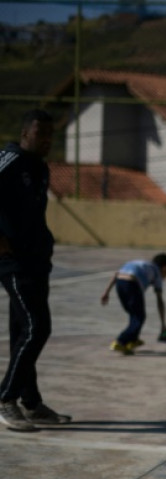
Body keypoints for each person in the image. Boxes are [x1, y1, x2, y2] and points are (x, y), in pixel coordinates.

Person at [0, 109, 71, 431]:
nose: (47, 141)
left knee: (22, 332)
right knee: (37, 328)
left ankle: (31, 402)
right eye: (41, 134)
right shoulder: (9, 161)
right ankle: (6, 399)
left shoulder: (40, 168)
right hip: (12, 262)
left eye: (51, 135)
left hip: (36, 261)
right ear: (25, 133)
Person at [100, 254, 166, 355]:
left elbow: (116, 274)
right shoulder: (157, 272)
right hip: (132, 283)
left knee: (134, 315)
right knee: (139, 317)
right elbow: (159, 301)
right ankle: (120, 341)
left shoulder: (140, 263)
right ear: (165, 268)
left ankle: (131, 342)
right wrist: (163, 325)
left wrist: (106, 292)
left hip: (119, 283)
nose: (165, 278)